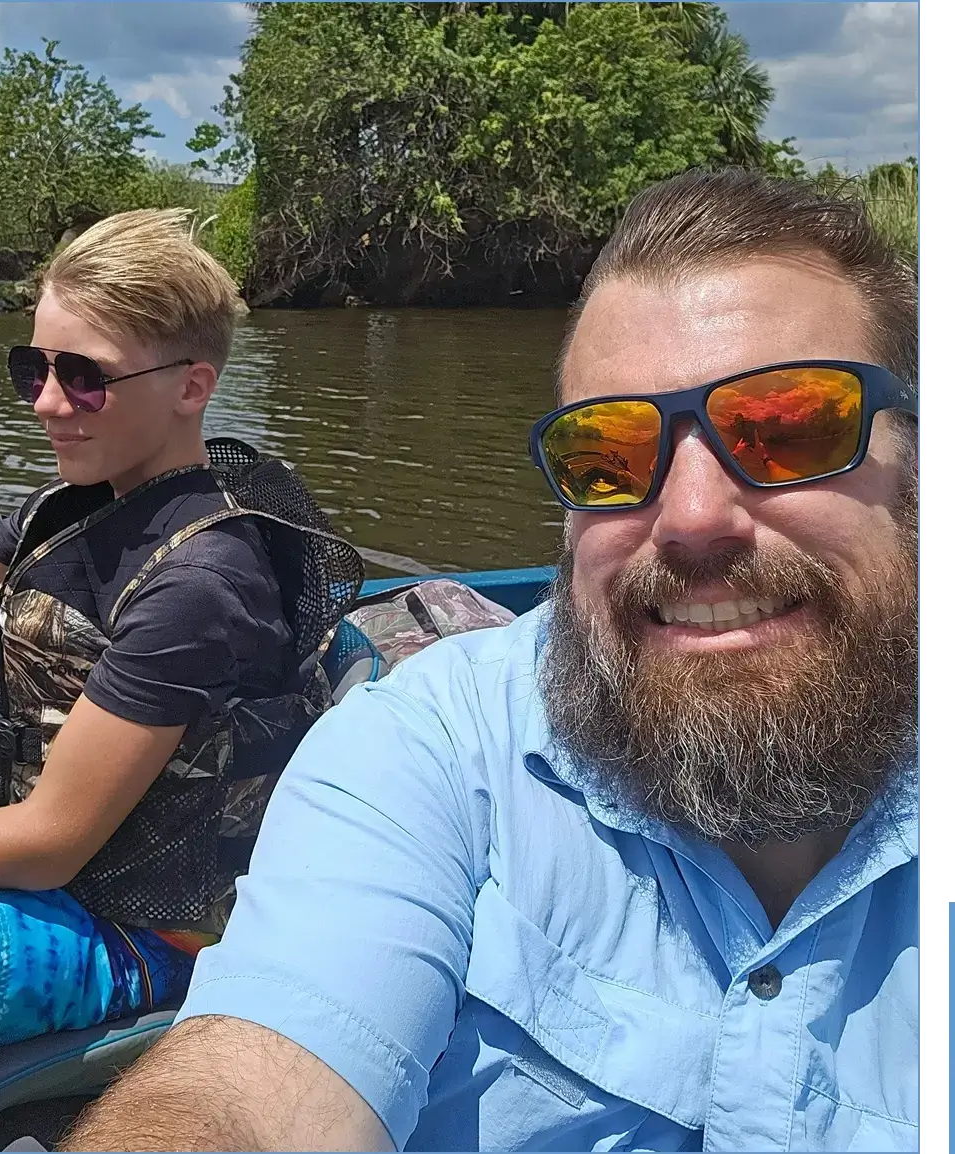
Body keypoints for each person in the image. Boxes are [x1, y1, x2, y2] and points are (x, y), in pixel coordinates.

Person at [61, 169, 920, 1152]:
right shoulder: (429, 749)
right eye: (607, 454)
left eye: (785, 428)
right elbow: (249, 1094)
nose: (689, 518)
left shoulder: (201, 566)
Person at [0, 208, 362, 1152]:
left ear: (190, 387)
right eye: (34, 368)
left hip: (135, 928)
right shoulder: (82, 502)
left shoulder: (200, 583)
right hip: (43, 838)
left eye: (84, 377)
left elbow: (48, 846)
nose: (48, 402)